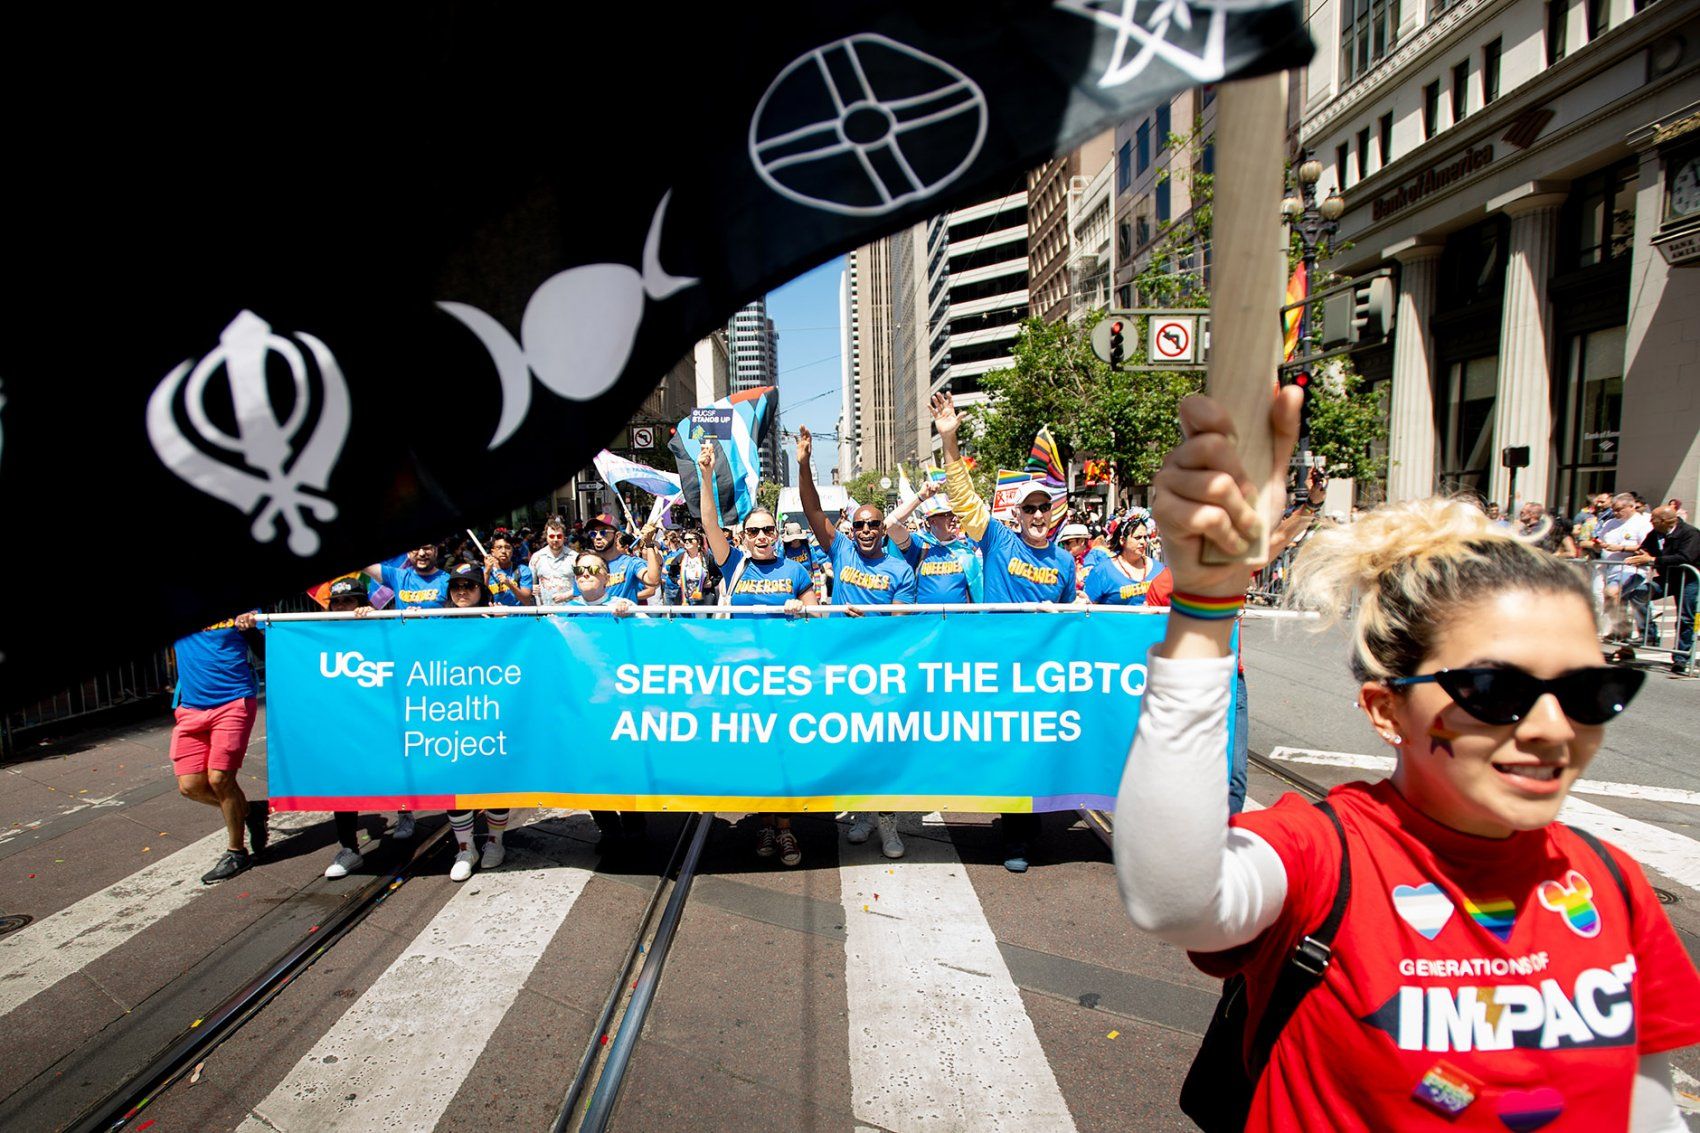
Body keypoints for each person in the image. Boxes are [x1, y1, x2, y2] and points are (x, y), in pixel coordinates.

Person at [1115, 388, 1700, 1130]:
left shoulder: (1613, 884)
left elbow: (1648, 1110)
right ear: (1386, 709)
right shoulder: (1324, 855)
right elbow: (1172, 897)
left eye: (1592, 690)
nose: (1554, 728)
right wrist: (1203, 608)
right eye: (1495, 689)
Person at [931, 391, 1072, 872]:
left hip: (1046, 676)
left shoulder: (1065, 561)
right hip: (999, 670)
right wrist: (950, 440)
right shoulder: (997, 538)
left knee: (1038, 749)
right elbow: (964, 499)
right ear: (1016, 515)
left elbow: (1073, 619)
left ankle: (1028, 825)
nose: (1036, 516)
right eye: (1029, 509)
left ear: (1052, 515)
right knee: (1007, 750)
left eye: (1044, 509)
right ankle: (1015, 836)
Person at [796, 424, 917, 860]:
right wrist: (804, 463)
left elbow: (903, 622)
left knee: (882, 747)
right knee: (850, 743)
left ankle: (888, 823)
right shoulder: (841, 550)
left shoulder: (901, 571)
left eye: (873, 525)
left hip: (881, 669)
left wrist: (869, 617)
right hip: (840, 667)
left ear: (884, 529)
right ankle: (863, 814)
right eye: (860, 524)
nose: (865, 530)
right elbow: (811, 510)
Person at [699, 441, 818, 865]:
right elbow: (711, 522)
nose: (763, 536)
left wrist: (801, 607)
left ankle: (784, 830)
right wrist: (708, 475)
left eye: (769, 530)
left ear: (778, 534)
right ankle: (764, 825)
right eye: (755, 531)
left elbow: (817, 614)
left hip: (787, 681)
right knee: (757, 756)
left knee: (783, 756)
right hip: (744, 680)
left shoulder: (796, 569)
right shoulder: (734, 565)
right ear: (744, 537)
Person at [321, 577, 415, 878]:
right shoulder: (317, 632)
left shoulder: (379, 626)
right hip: (343, 719)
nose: (342, 608)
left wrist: (372, 620)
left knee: (394, 765)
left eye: (348, 601)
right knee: (343, 781)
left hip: (381, 713)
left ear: (363, 604)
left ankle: (405, 812)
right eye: (336, 603)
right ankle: (349, 848)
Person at [170, 609, 270, 883]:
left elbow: (265, 653)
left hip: (233, 702)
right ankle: (251, 811)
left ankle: (236, 852)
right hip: (190, 708)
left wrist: (250, 627)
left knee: (220, 779)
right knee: (189, 787)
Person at [434, 562, 513, 880]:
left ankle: (496, 842)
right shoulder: (436, 623)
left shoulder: (495, 621)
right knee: (455, 783)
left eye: (469, 586)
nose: (462, 592)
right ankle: (465, 848)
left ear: (482, 590)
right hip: (451, 715)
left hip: (491, 714)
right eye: (456, 586)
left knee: (494, 781)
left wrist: (506, 625)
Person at [1625, 505, 1700, 673]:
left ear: (1665, 521)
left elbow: (1685, 557)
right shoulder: (1655, 532)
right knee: (1638, 595)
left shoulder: (1690, 533)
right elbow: (1645, 548)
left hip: (1688, 579)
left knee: (1686, 617)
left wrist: (1653, 559)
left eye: (1654, 519)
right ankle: (1650, 635)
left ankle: (1681, 658)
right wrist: (1640, 553)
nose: (1650, 521)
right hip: (1667, 577)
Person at [885, 480, 982, 607]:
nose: (953, 518)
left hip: (958, 624)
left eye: (954, 514)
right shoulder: (919, 545)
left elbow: (978, 595)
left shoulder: (965, 551)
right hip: (926, 624)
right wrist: (921, 497)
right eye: (946, 514)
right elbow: (889, 525)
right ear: (930, 522)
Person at [1592, 493, 1654, 651]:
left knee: (1612, 594)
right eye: (1613, 509)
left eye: (1619, 509)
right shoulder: (1610, 523)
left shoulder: (1642, 523)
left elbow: (1645, 547)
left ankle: (1623, 633)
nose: (1616, 513)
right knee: (1618, 602)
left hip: (1631, 569)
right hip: (1610, 568)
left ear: (1631, 506)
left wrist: (1621, 548)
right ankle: (1624, 642)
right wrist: (1598, 545)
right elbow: (1599, 540)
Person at [580, 512, 662, 602]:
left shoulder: (631, 563)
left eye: (603, 532)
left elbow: (653, 581)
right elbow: (578, 597)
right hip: (596, 616)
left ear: (617, 536)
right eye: (593, 534)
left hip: (622, 615)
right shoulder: (586, 564)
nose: (597, 537)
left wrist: (649, 544)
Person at [1084, 517, 1165, 605]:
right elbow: (1087, 608)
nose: (1143, 541)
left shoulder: (1160, 570)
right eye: (1137, 537)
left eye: (1145, 537)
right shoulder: (1102, 571)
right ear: (1122, 540)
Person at [364, 541, 449, 609]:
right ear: (408, 554)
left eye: (426, 548)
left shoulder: (448, 580)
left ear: (436, 552)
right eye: (415, 548)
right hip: (403, 630)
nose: (421, 553)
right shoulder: (397, 576)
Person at [530, 517, 577, 606]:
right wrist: (532, 588)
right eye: (551, 536)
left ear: (564, 538)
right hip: (544, 611)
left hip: (570, 610)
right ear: (546, 537)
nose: (555, 540)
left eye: (559, 536)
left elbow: (582, 586)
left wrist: (565, 596)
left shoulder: (574, 557)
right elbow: (529, 585)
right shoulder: (536, 557)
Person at [667, 529, 719, 607]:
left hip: (703, 598)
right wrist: (677, 581)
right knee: (684, 619)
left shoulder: (707, 558)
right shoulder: (680, 557)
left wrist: (712, 583)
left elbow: (719, 574)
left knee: (701, 619)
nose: (687, 542)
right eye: (685, 540)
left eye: (690, 540)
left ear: (698, 542)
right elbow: (671, 574)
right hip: (684, 599)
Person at [484, 532, 535, 606]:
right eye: (499, 547)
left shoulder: (523, 570)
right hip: (495, 617)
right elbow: (480, 598)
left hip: (518, 617)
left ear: (512, 550)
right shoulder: (485, 571)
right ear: (493, 552)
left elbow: (526, 601)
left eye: (507, 547)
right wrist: (487, 573)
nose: (503, 551)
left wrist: (509, 584)